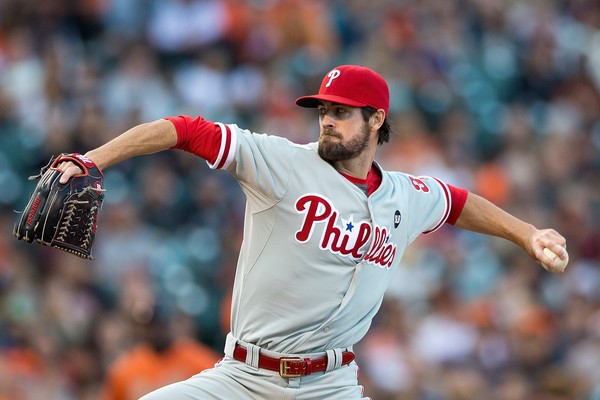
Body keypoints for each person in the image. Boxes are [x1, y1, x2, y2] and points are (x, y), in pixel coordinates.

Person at [58, 65, 568, 399]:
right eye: (324, 110)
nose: (327, 120)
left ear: (376, 121)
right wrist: (93, 158)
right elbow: (184, 129)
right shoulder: (279, 162)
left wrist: (527, 234)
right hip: (243, 378)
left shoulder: (405, 196)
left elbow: (457, 203)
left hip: (332, 385)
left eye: (341, 112)